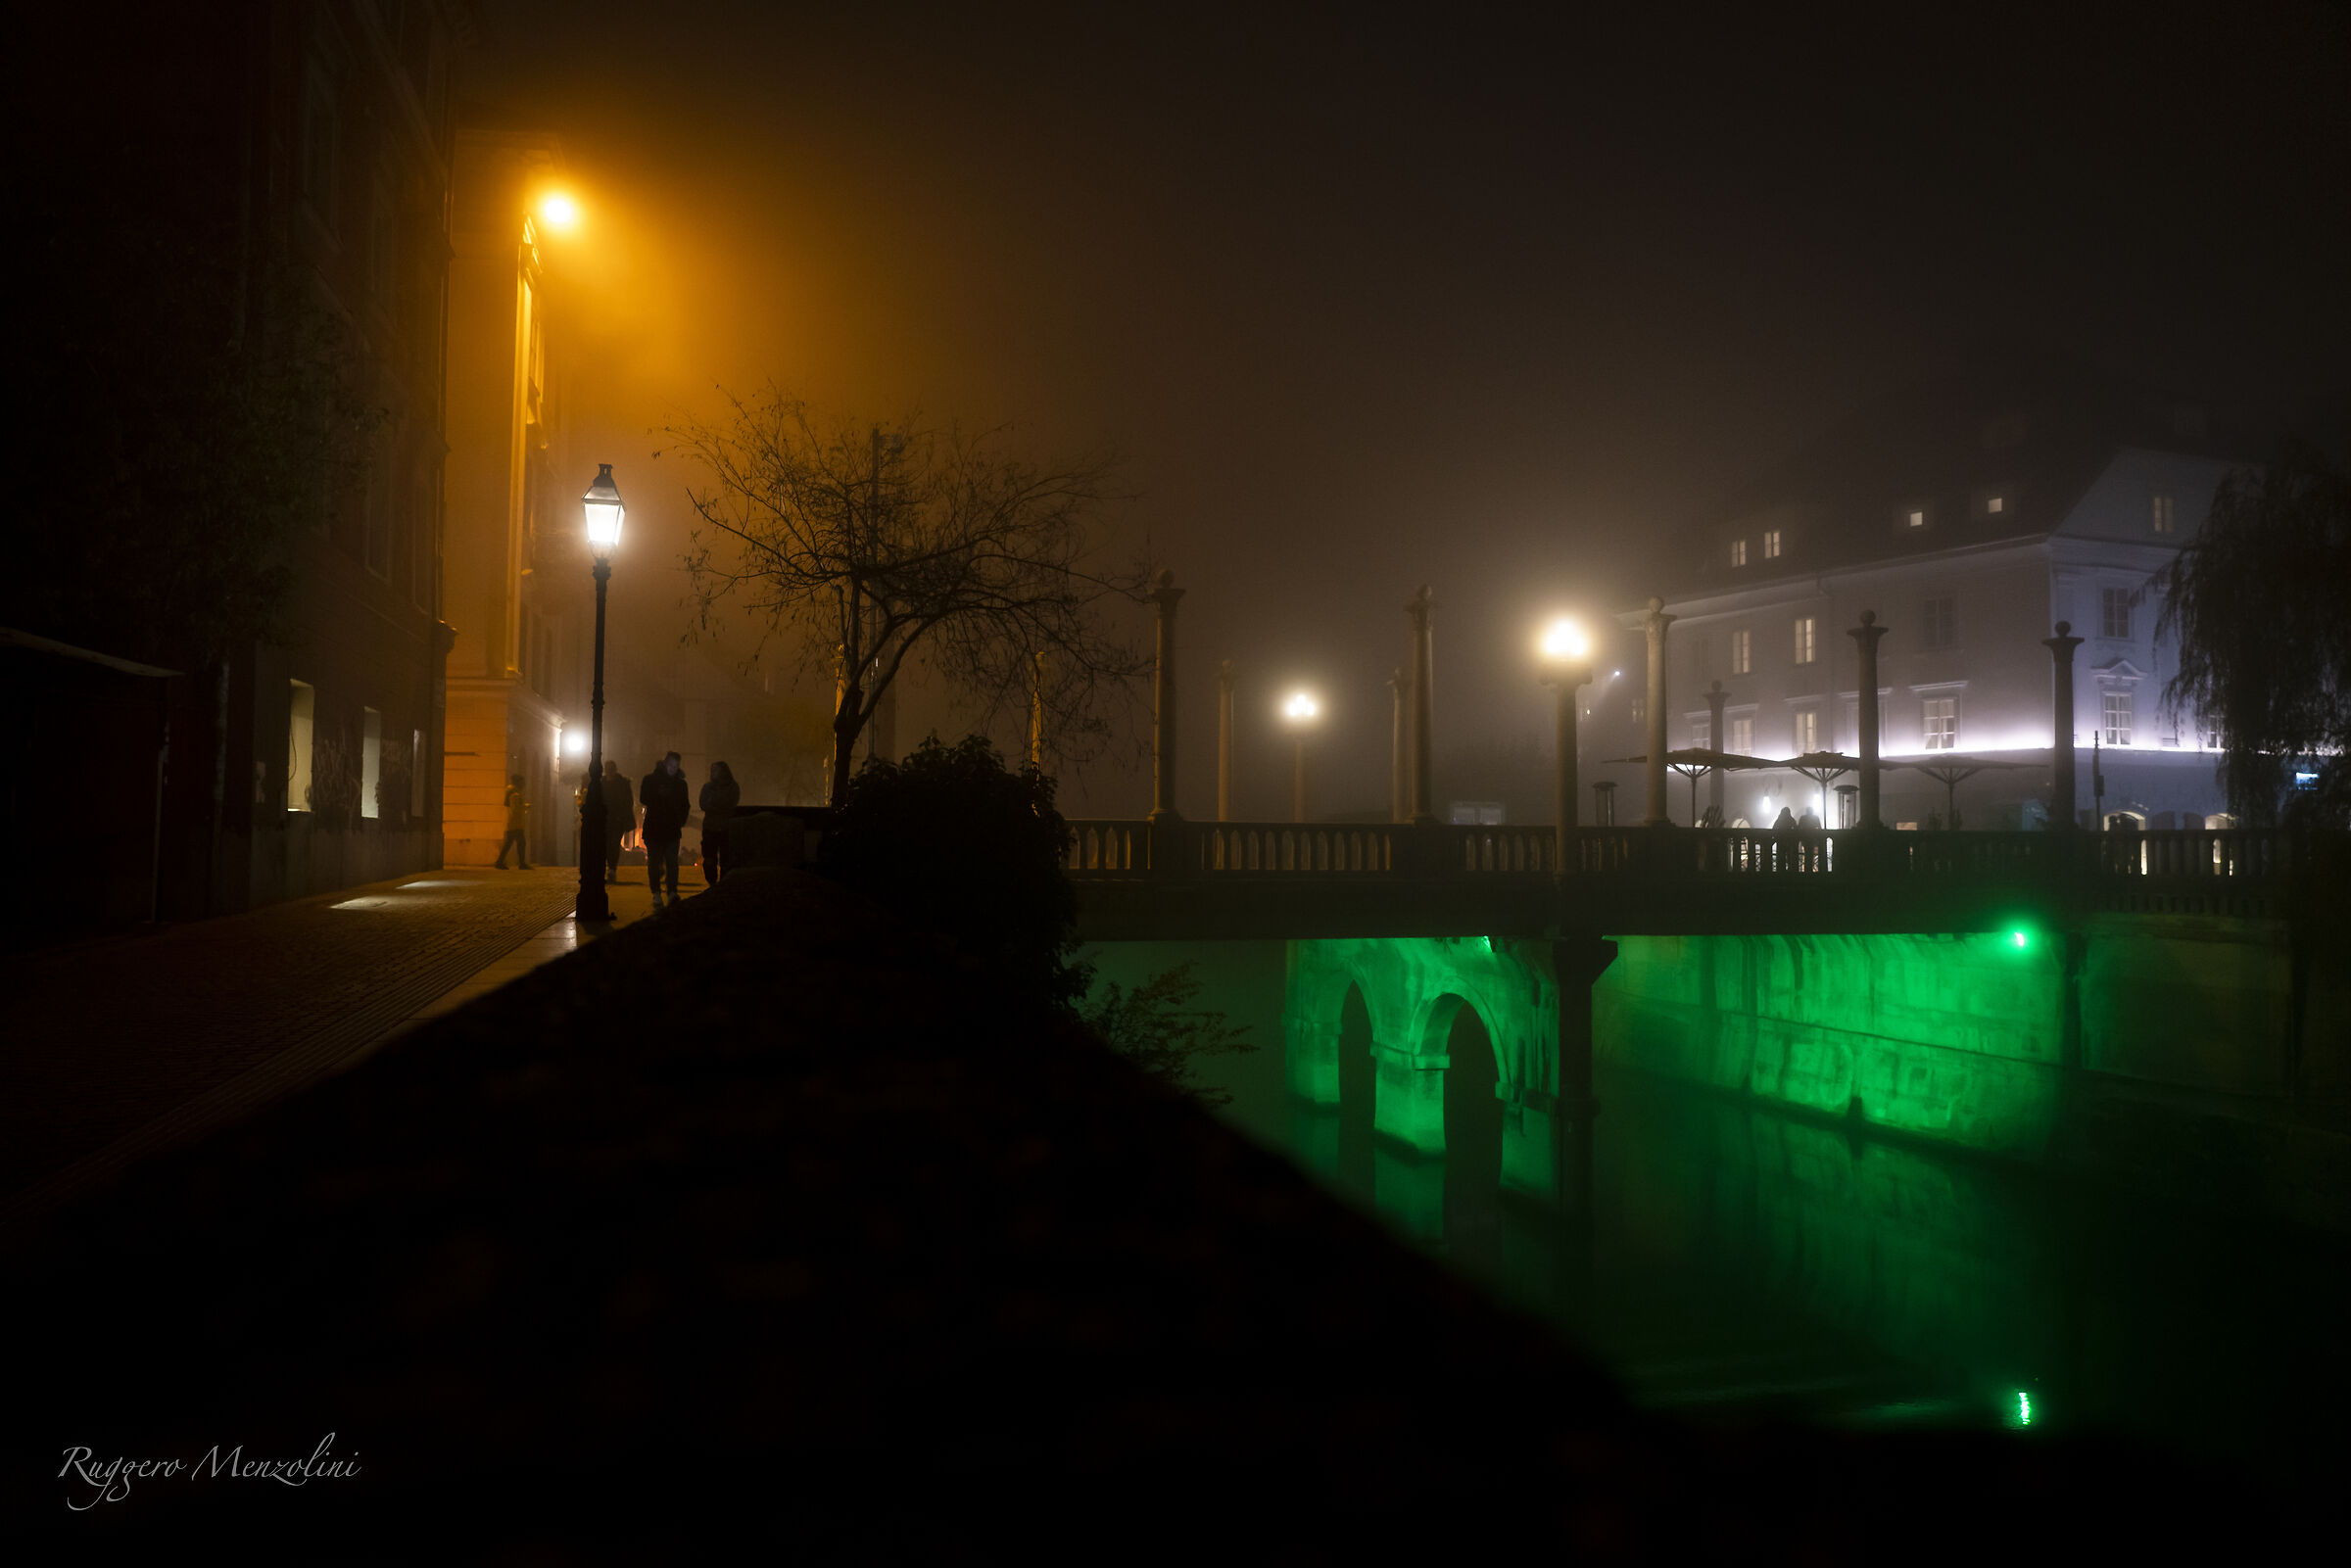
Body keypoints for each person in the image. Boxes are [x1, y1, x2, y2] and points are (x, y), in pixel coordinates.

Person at [639, 751, 690, 910]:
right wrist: (658, 794)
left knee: (672, 862)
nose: (674, 769)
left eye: (676, 766)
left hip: (671, 828)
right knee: (655, 862)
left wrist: (680, 821)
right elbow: (643, 798)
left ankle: (672, 892)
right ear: (665, 764)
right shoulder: (650, 780)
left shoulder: (681, 784)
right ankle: (657, 892)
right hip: (655, 828)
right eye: (671, 766)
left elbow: (685, 805)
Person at [698, 760, 740, 888]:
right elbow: (703, 804)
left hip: (725, 828)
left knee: (725, 861)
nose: (712, 773)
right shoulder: (708, 787)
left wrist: (714, 804)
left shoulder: (731, 787)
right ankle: (713, 884)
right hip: (711, 828)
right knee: (709, 860)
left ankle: (722, 885)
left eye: (715, 770)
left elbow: (730, 804)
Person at [599, 760, 634, 883]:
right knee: (605, 845)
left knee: (613, 844)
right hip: (604, 819)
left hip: (617, 819)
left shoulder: (621, 783)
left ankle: (612, 868)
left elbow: (628, 801)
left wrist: (622, 815)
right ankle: (610, 868)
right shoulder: (601, 783)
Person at [494, 774, 531, 870]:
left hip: (512, 822)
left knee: (511, 843)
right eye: (522, 782)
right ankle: (520, 863)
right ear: (518, 782)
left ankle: (500, 862)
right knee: (520, 843)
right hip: (515, 823)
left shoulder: (510, 791)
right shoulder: (514, 793)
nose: (524, 784)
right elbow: (515, 809)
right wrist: (525, 806)